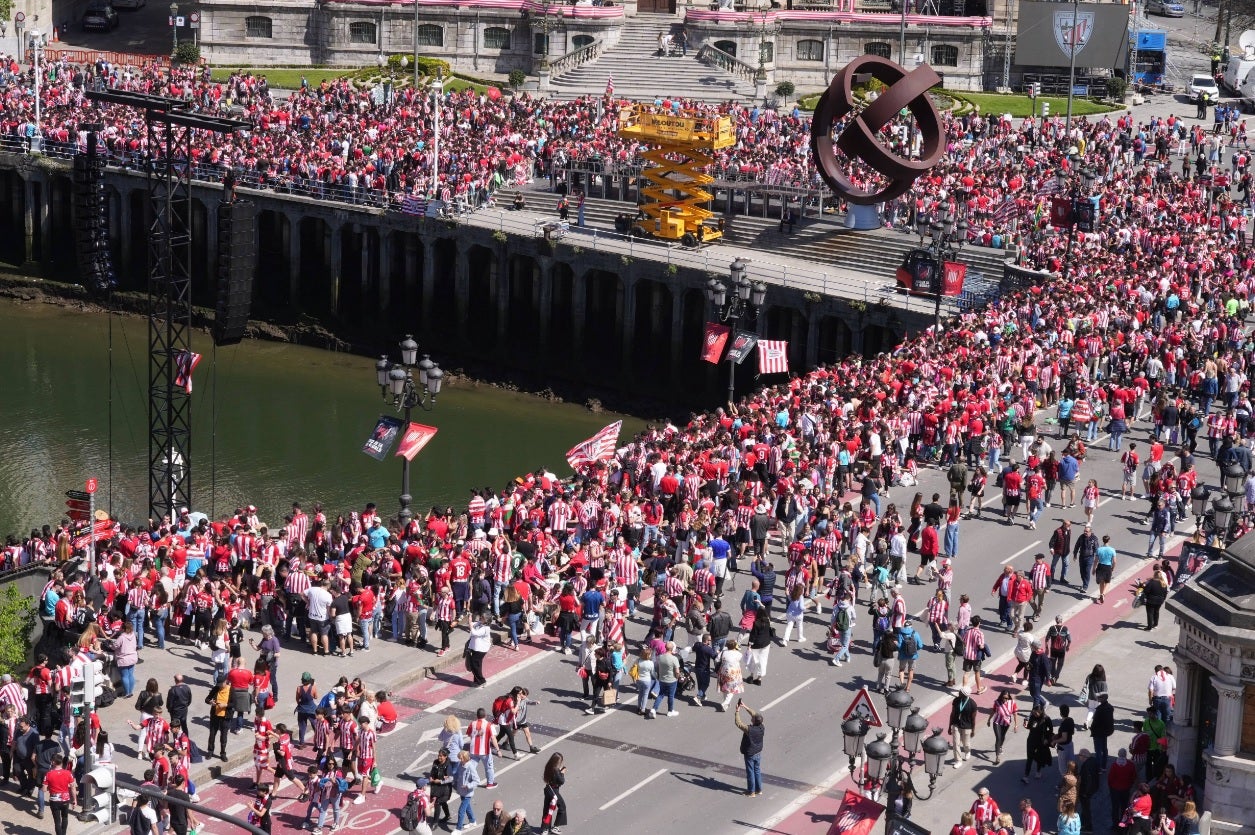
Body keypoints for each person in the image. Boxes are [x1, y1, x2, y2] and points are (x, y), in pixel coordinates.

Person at [733, 699, 765, 797]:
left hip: (750, 753)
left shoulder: (749, 730)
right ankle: (759, 789)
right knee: (757, 770)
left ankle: (751, 792)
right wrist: (745, 707)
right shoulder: (762, 726)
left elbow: (738, 723)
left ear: (754, 721)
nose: (752, 717)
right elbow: (755, 714)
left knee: (750, 772)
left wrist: (737, 711)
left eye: (753, 718)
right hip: (758, 752)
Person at [42, 752, 76, 835]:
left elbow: (44, 789)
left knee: (57, 821)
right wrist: (74, 800)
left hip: (54, 800)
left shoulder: (48, 774)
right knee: (65, 817)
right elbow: (73, 788)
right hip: (65, 800)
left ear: (53, 762)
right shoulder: (68, 773)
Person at [454, 749, 482, 833]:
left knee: (461, 811)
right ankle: (473, 821)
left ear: (465, 758)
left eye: (461, 758)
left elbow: (477, 780)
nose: (460, 760)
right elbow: (457, 775)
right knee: (467, 807)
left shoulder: (470, 767)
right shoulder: (460, 764)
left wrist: (468, 785)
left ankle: (458, 829)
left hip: (467, 792)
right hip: (461, 791)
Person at [949, 686, 978, 768]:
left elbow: (973, 719)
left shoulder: (973, 704)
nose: (959, 693)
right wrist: (949, 726)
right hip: (956, 724)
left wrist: (973, 730)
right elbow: (953, 713)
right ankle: (958, 760)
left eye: (960, 692)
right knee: (956, 744)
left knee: (966, 743)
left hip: (967, 726)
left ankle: (967, 751)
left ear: (964, 694)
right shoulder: (956, 700)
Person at [988, 690, 1019, 765]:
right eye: (1004, 698)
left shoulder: (1012, 703)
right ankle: (997, 756)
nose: (1005, 699)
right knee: (998, 738)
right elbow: (993, 711)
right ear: (1001, 696)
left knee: (1002, 736)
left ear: (1009, 697)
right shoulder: (997, 702)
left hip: (1006, 723)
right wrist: (989, 720)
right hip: (997, 722)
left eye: (1006, 698)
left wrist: (1016, 725)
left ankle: (1000, 746)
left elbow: (1015, 714)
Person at [540, 752, 567, 834]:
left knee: (547, 808)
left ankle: (545, 828)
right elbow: (561, 781)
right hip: (554, 791)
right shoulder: (556, 770)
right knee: (562, 807)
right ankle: (556, 826)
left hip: (548, 789)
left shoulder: (548, 766)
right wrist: (562, 773)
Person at [429, 748, 456, 828]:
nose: (439, 757)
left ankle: (435, 822)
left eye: (441, 756)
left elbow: (451, 778)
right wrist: (431, 777)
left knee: (437, 803)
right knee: (442, 802)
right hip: (436, 786)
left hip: (445, 788)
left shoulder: (448, 765)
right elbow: (432, 771)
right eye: (438, 755)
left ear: (446, 756)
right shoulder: (435, 762)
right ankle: (447, 815)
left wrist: (440, 781)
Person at [466, 615, 492, 686]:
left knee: (474, 665)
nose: (481, 618)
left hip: (481, 649)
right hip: (475, 648)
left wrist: (470, 624)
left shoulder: (486, 628)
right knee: (477, 664)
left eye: (483, 618)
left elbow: (475, 633)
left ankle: (481, 681)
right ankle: (476, 681)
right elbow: (471, 624)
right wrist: (470, 620)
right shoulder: (480, 623)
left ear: (486, 620)